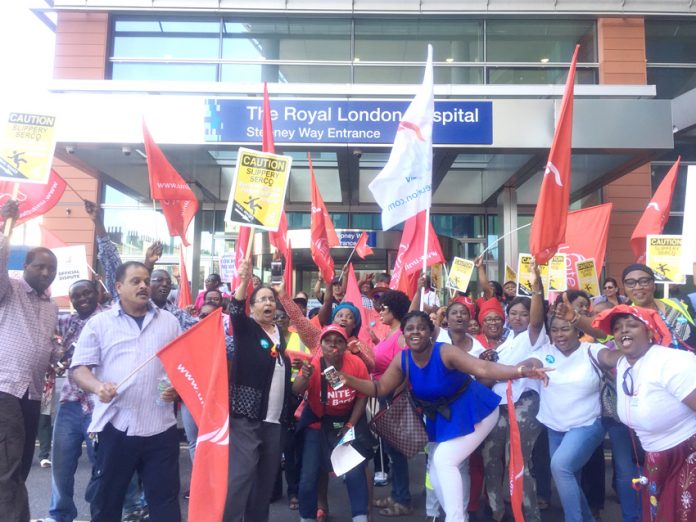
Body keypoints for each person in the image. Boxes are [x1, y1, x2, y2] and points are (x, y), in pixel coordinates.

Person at [341, 311, 549, 522]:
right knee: (437, 473)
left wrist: (521, 371)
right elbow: (379, 388)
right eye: (410, 329)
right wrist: (347, 379)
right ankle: (457, 516)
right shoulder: (402, 359)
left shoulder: (445, 352)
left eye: (421, 327)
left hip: (476, 410)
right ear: (403, 335)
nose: (415, 332)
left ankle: (455, 518)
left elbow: (484, 368)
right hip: (443, 418)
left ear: (431, 333)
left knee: (444, 460)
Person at [70, 261, 182, 522]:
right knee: (107, 502)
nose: (144, 285)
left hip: (161, 428)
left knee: (165, 502)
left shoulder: (169, 322)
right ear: (118, 287)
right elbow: (79, 369)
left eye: (146, 280)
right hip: (117, 426)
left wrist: (176, 387)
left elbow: (180, 367)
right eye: (136, 281)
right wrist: (98, 387)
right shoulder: (100, 324)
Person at [522, 265, 623, 522]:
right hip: (555, 427)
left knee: (561, 467)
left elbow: (611, 355)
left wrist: (635, 346)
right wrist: (525, 370)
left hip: (587, 425)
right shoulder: (546, 351)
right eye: (554, 330)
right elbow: (531, 363)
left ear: (577, 330)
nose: (559, 334)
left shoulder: (590, 352)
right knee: (568, 478)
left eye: (565, 329)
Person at [592, 304, 696, 522]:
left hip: (686, 454)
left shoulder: (670, 362)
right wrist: (574, 319)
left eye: (632, 325)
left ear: (650, 332)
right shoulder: (623, 363)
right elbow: (601, 351)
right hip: (655, 456)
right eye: (618, 328)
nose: (624, 331)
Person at [0, 200, 59, 522]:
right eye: (39, 266)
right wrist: (6, 227)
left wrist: (57, 356)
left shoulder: (50, 307)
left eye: (51, 268)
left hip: (32, 394)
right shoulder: (8, 290)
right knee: (8, 469)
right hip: (5, 388)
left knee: (19, 466)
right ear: (25, 267)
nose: (46, 272)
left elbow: (44, 347)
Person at [224, 259, 291, 522]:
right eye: (262, 299)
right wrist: (243, 281)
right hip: (246, 416)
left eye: (272, 300)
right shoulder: (246, 329)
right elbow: (235, 310)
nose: (268, 303)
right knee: (241, 476)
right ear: (253, 308)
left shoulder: (279, 333)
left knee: (265, 481)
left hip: (275, 420)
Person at [293, 325, 372, 522]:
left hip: (346, 422)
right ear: (322, 345)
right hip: (318, 424)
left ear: (345, 346)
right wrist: (305, 376)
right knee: (309, 477)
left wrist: (351, 424)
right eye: (328, 341)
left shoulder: (356, 364)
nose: (333, 345)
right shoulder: (313, 365)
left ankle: (360, 517)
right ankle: (306, 517)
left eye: (338, 341)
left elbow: (362, 396)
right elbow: (296, 389)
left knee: (354, 472)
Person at [482, 294, 547, 522]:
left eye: (524, 314)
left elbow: (538, 321)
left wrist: (536, 283)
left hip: (524, 403)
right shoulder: (508, 338)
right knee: (490, 456)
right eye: (513, 313)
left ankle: (530, 515)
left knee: (517, 460)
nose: (518, 318)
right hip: (497, 405)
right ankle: (496, 510)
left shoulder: (535, 336)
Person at [371, 290, 414, 516]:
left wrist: (395, 398)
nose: (380, 311)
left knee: (396, 451)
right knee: (390, 449)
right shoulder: (390, 334)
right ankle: (397, 493)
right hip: (384, 395)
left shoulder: (401, 336)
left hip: (393, 397)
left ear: (394, 309)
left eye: (384, 307)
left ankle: (403, 499)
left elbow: (406, 369)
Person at [621, 263, 694, 349]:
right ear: (625, 288)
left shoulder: (674, 304)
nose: (638, 287)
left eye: (644, 281)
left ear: (654, 285)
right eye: (630, 283)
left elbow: (690, 334)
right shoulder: (627, 318)